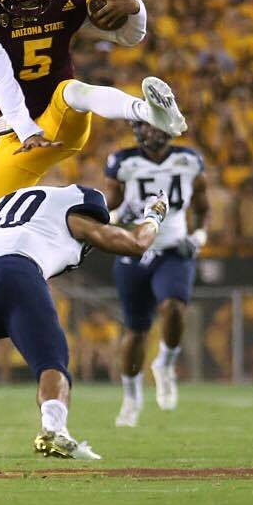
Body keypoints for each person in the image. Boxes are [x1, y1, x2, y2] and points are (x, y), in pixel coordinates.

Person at [0, 184, 169, 460]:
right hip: (19, 272)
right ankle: (53, 430)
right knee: (53, 363)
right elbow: (136, 244)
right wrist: (154, 216)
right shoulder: (74, 216)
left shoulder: (16, 207)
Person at [0, 0, 186, 242]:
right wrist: (27, 131)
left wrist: (135, 7)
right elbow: (1, 83)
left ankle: (149, 112)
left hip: (62, 116)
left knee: (71, 91)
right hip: (21, 130)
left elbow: (129, 37)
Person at [104, 121, 209, 426]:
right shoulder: (122, 162)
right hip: (134, 250)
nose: (152, 132)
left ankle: (165, 363)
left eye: (157, 125)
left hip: (173, 249)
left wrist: (199, 236)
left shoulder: (189, 160)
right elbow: (106, 212)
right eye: (147, 127)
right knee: (135, 332)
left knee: (174, 307)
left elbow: (203, 208)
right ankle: (131, 397)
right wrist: (118, 215)